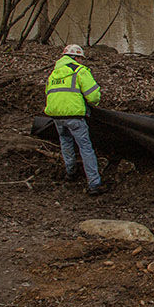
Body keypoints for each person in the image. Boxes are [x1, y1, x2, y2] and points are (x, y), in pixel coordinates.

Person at [44, 44, 106, 195]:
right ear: (77, 58)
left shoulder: (54, 74)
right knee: (85, 148)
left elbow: (49, 93)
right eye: (80, 58)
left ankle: (70, 172)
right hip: (74, 116)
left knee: (66, 143)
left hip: (57, 116)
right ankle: (94, 184)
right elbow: (93, 95)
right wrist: (95, 104)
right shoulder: (79, 71)